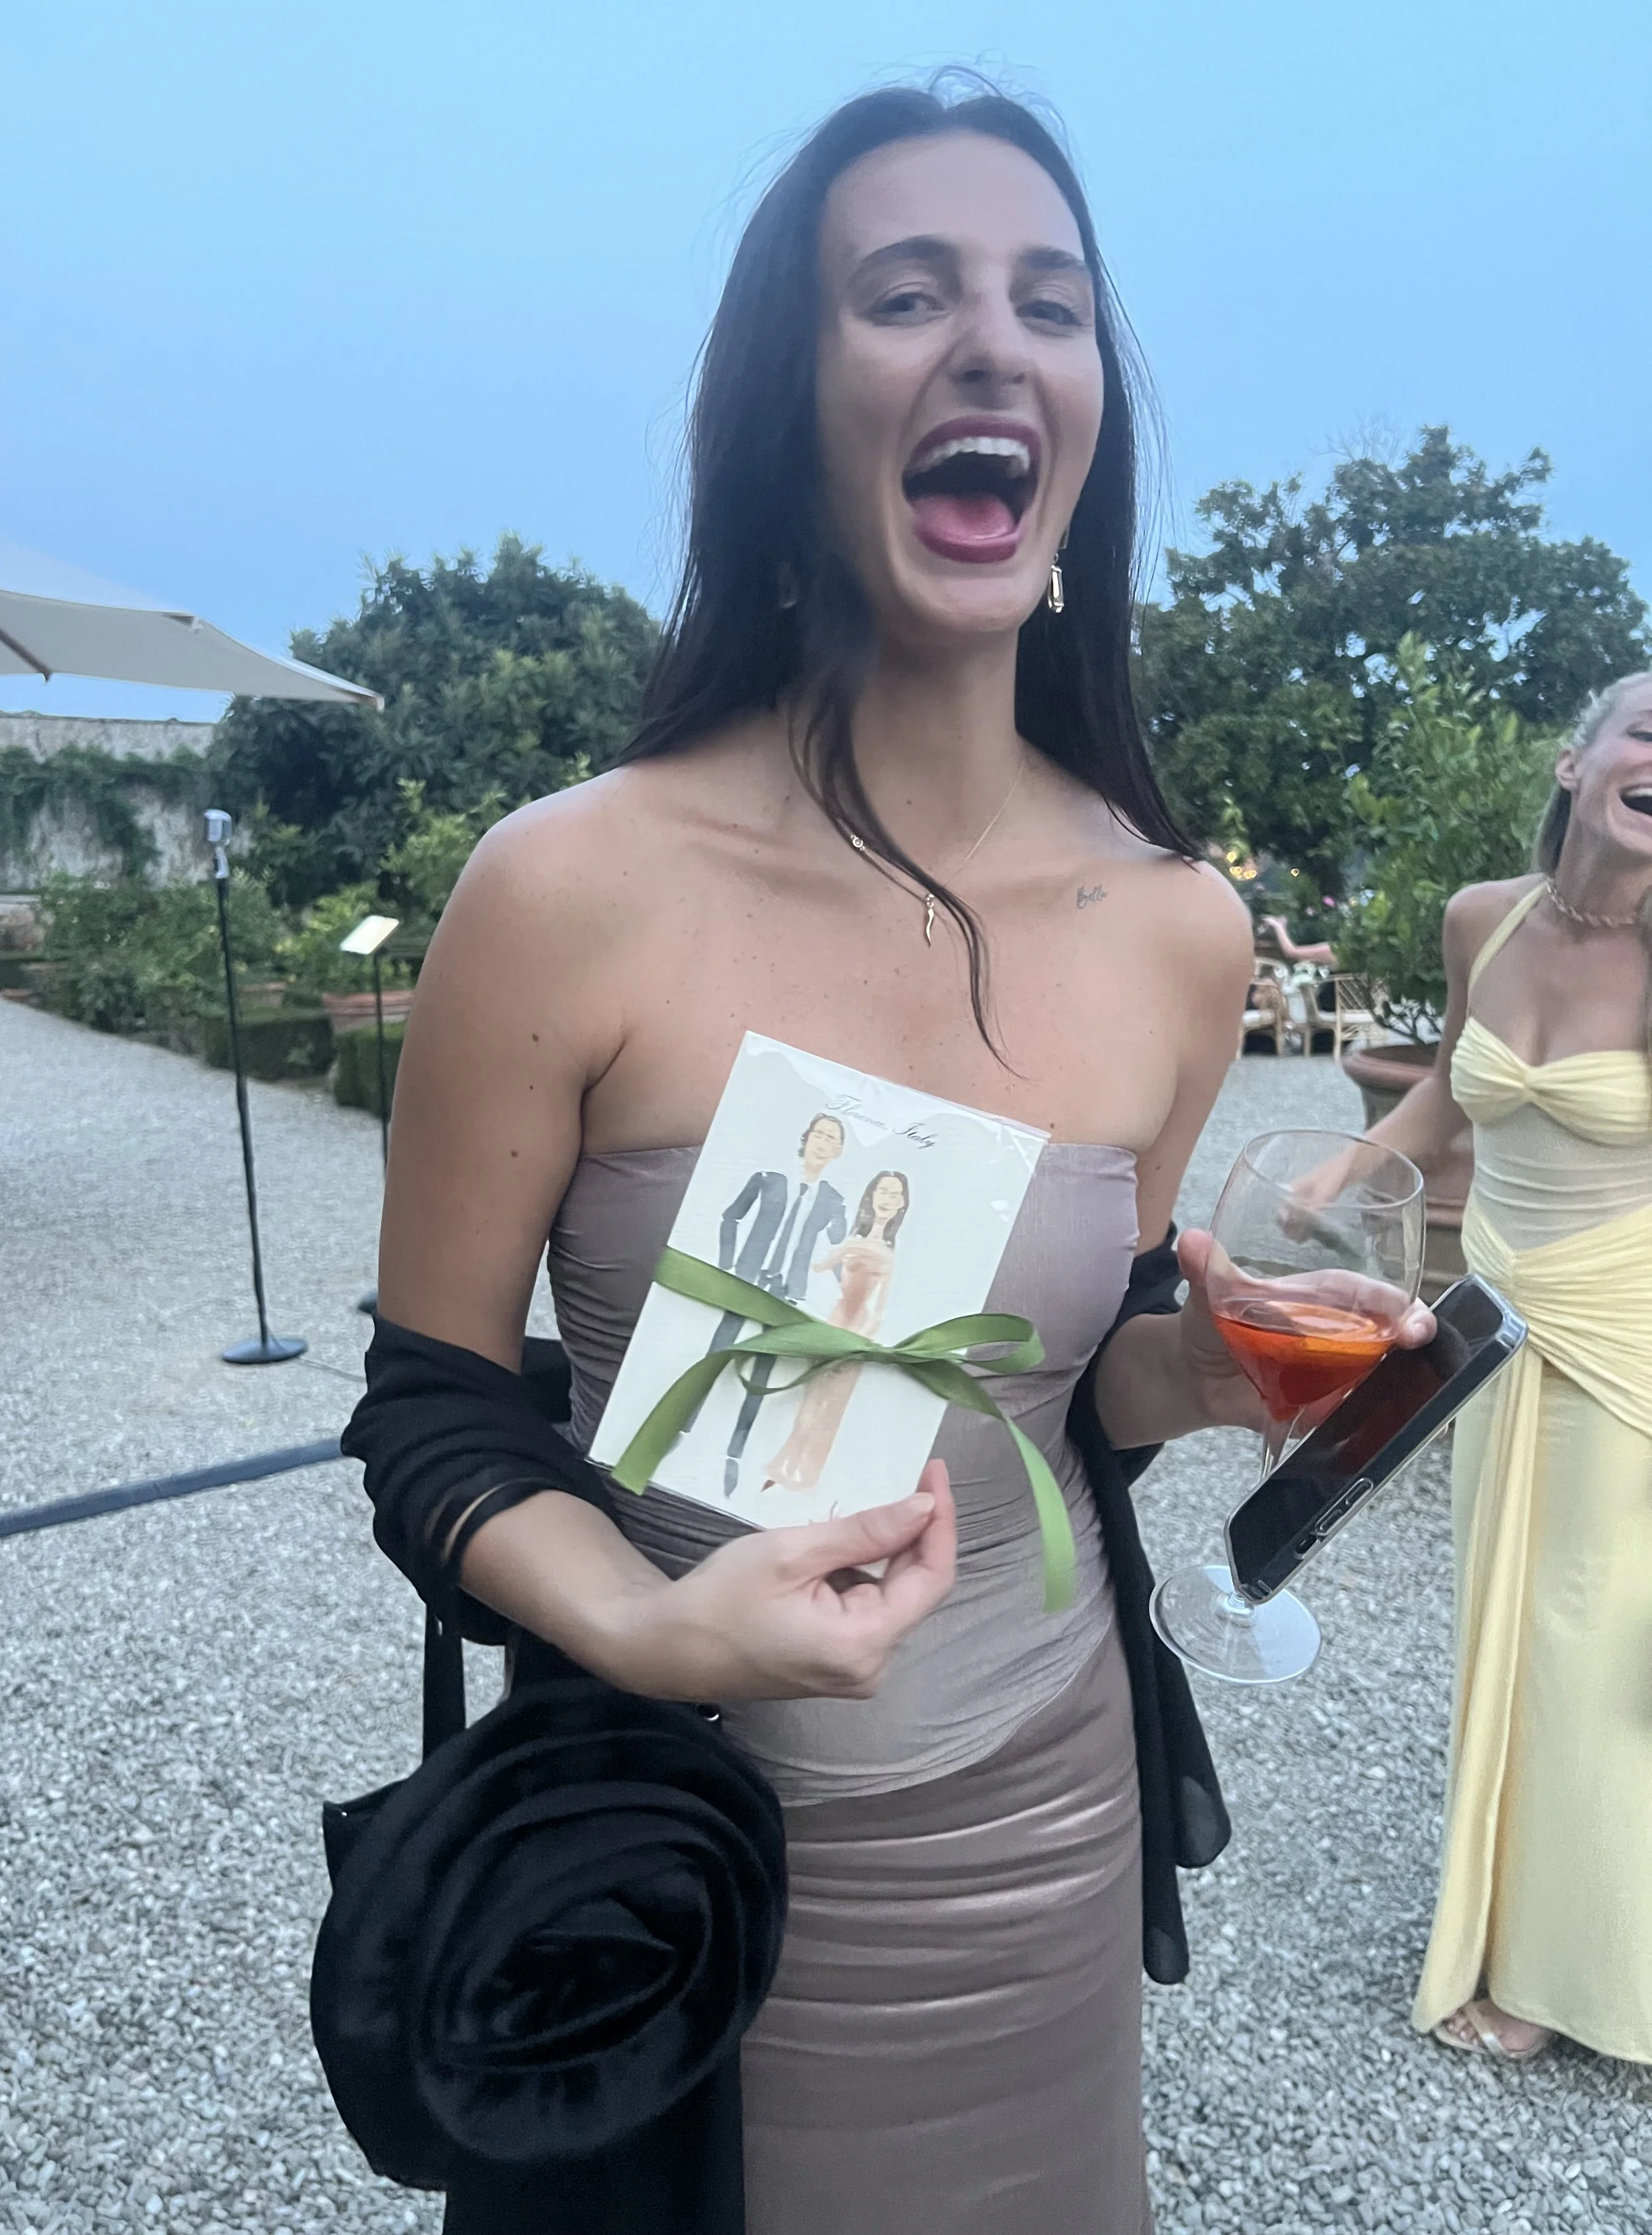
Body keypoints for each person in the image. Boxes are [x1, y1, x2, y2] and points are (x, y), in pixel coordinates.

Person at [369, 82, 1427, 2232]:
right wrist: (652, 1629)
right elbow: (430, 1419)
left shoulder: (1176, 926)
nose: (991, 341)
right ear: (791, 395)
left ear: (1086, 413)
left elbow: (1060, 1403)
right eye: (903, 290)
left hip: (1040, 1835)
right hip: (681, 1867)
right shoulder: (569, 882)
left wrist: (1202, 1366)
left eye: (1048, 300)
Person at [1360, 669, 1652, 2066]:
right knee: (1505, 1624)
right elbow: (1440, 1084)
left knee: (1594, 1645)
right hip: (1489, 1318)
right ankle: (1514, 1925)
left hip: (1624, 1323)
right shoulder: (1482, 917)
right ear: (1572, 757)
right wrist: (1331, 1183)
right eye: (1646, 728)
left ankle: (1571, 1978)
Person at [701, 1110, 850, 1491]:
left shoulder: (833, 1201)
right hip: (747, 1281)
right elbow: (730, 1217)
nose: (824, 1142)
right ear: (807, 1137)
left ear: (839, 1151)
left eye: (833, 1139)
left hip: (787, 1294)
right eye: (820, 1134)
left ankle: (733, 1455)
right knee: (716, 1356)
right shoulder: (768, 1179)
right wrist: (726, 1266)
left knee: (762, 1377)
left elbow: (839, 1252)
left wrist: (847, 1291)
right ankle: (682, 1431)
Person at [761, 1170, 908, 1492]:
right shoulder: (852, 1242)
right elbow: (820, 1266)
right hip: (834, 1323)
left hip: (858, 1335)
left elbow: (881, 1307)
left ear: (901, 1206)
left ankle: (807, 1473)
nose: (886, 1199)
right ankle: (785, 1461)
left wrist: (862, 1338)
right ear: (870, 1196)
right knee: (810, 1398)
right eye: (882, 1191)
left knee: (833, 1405)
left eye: (894, 1195)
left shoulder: (890, 1254)